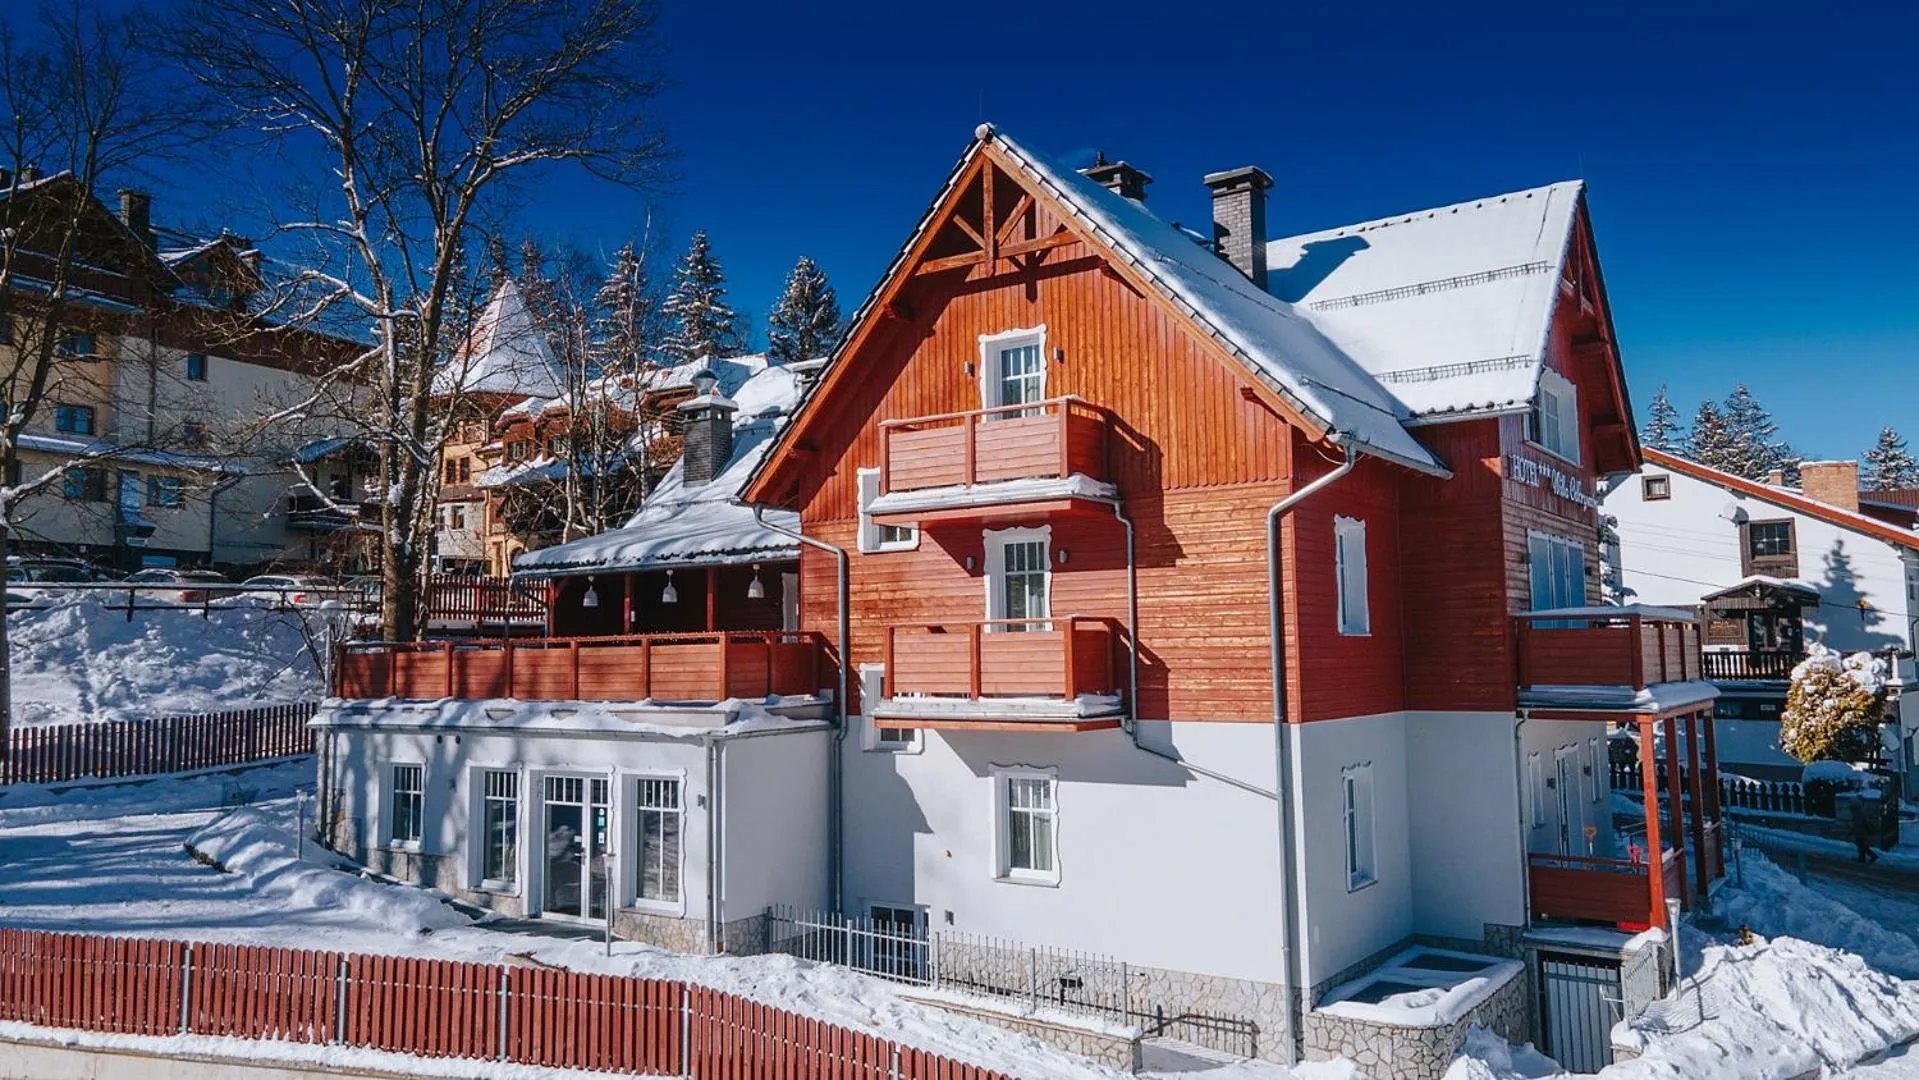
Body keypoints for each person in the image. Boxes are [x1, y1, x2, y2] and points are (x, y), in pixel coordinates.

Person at [1850, 791, 1883, 863]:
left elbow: (1861, 822)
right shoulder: (1860, 810)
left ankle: (1870, 856)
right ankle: (1863, 858)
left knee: (1862, 846)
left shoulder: (1859, 811)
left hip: (1861, 831)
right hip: (1861, 831)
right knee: (1861, 846)